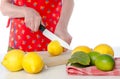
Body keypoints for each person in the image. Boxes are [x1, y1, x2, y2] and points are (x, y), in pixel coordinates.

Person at [0, 0, 74, 52]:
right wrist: (25, 11)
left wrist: (62, 27)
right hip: (21, 40)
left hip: (54, 35)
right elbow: (3, 7)